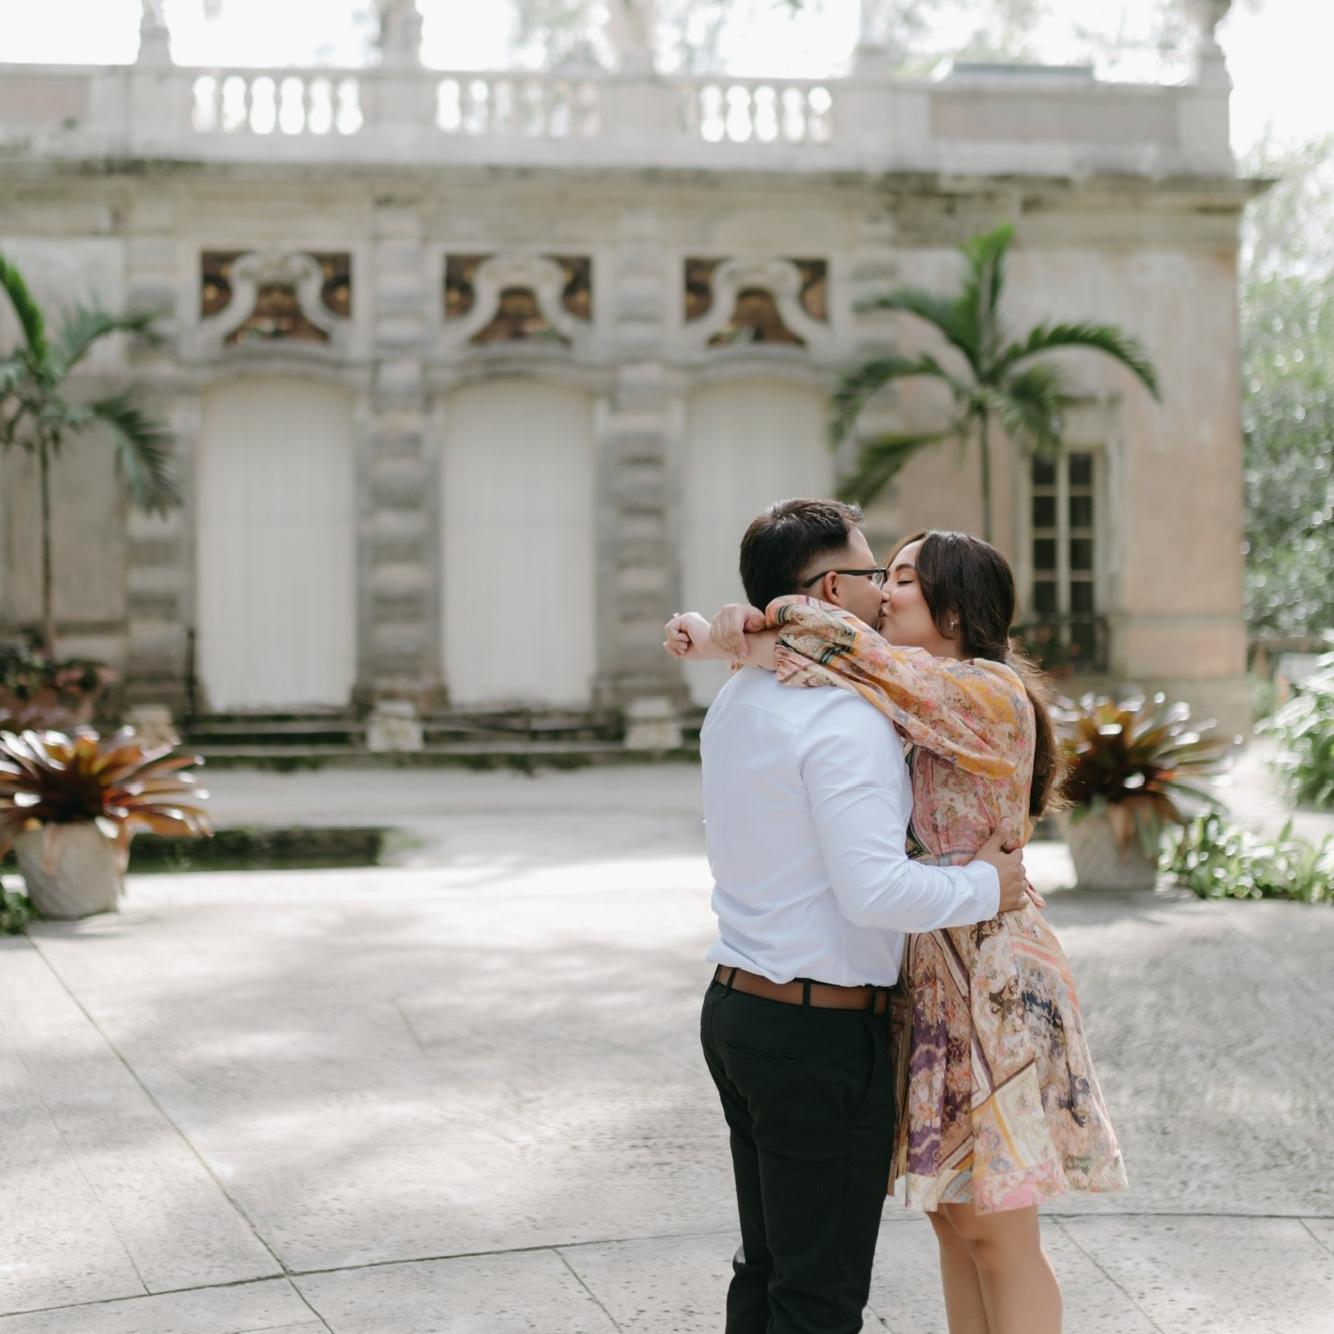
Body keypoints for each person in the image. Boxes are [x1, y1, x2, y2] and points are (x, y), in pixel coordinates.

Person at [668, 525, 1127, 1334]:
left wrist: (746, 627)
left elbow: (850, 650)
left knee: (997, 1227)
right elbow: (833, 661)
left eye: (905, 577)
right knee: (955, 1223)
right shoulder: (900, 689)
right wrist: (733, 639)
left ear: (956, 604)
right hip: (929, 968)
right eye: (881, 573)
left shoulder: (981, 689)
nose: (886, 589)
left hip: (988, 972)